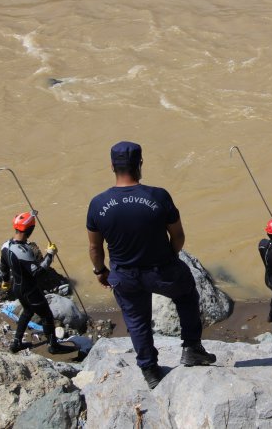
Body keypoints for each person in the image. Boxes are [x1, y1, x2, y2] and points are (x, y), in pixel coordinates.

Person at [86, 141, 216, 390]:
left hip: (124, 275)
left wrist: (101, 271)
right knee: (187, 293)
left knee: (137, 319)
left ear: (112, 166)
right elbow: (178, 236)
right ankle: (191, 348)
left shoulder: (98, 203)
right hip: (161, 270)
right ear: (140, 164)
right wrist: (170, 257)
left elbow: (94, 248)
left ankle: (150, 370)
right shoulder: (158, 196)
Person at [0, 211, 74, 354]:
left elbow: (3, 265)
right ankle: (53, 345)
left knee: (27, 311)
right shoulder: (23, 250)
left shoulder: (5, 246)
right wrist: (50, 254)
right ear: (29, 229)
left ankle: (16, 343)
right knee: (46, 315)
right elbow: (38, 272)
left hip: (17, 287)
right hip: (30, 290)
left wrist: (5, 281)